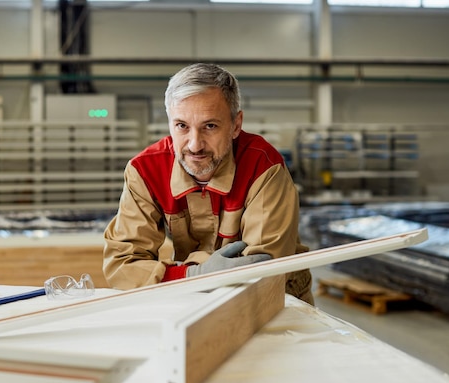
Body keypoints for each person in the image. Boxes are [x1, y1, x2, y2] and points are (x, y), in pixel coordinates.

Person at [103, 63, 314, 305]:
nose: (194, 144)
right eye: (181, 126)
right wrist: (194, 275)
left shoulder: (264, 167)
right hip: (193, 300)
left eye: (210, 126)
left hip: (277, 303)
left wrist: (174, 275)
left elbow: (260, 269)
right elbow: (122, 267)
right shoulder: (145, 171)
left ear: (236, 125)